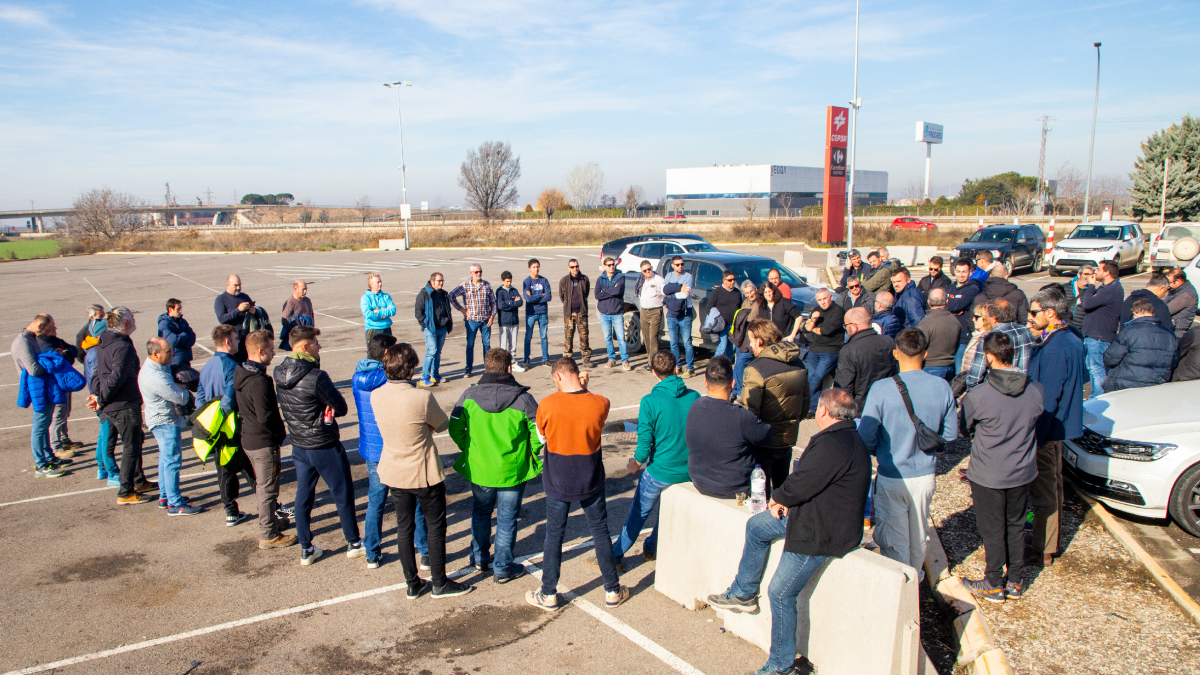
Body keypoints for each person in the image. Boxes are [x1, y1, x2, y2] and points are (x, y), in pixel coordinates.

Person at [706, 388, 871, 675]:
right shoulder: (848, 438)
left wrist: (779, 498)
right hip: (811, 515)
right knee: (757, 526)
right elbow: (809, 482)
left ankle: (780, 666)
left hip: (821, 532)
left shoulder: (833, 445)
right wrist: (785, 500)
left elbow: (804, 481)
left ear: (823, 411)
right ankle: (743, 592)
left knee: (780, 592)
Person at [527, 357, 629, 612]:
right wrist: (584, 388)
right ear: (577, 374)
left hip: (558, 477)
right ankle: (612, 590)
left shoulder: (547, 404)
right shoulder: (600, 402)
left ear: (558, 376)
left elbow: (542, 437)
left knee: (554, 535)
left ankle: (548, 593)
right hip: (590, 476)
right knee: (600, 531)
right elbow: (590, 410)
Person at [373, 343, 472, 599]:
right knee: (436, 527)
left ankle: (412, 582)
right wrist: (425, 428)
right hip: (423, 471)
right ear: (410, 369)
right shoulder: (421, 397)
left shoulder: (377, 394)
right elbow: (442, 423)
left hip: (394, 470)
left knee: (404, 528)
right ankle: (439, 582)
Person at [858, 329, 956, 580]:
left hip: (892, 474)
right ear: (925, 354)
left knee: (894, 540)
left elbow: (865, 436)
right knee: (919, 535)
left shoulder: (881, 388)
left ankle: (902, 588)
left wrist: (880, 449)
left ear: (895, 353)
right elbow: (950, 434)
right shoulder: (942, 387)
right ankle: (916, 580)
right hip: (925, 475)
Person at [961, 333, 1045, 603]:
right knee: (1016, 525)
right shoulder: (1035, 390)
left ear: (989, 357)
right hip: (1021, 471)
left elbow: (964, 427)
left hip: (989, 473)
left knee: (993, 528)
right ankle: (1016, 580)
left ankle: (994, 582)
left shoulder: (979, 395)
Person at [449, 348, 543, 582]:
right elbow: (540, 433)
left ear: (486, 367)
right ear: (509, 368)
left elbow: (455, 427)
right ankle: (502, 568)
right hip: (512, 469)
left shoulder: (468, 396)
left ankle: (479, 558)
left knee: (481, 512)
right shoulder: (524, 399)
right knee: (507, 519)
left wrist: (468, 448)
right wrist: (531, 451)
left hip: (480, 468)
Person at [274, 326, 363, 565]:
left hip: (299, 445)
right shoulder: (316, 376)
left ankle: (306, 548)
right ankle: (354, 542)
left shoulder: (278, 372)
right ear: (305, 347)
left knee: (303, 496)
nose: (319, 347)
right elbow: (341, 408)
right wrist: (326, 408)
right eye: (315, 343)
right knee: (342, 493)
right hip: (323, 444)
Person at [601, 351, 697, 570]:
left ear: (654, 373)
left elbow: (645, 443)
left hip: (660, 471)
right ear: (676, 368)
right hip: (687, 471)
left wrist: (634, 464)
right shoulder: (694, 397)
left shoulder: (650, 401)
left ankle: (616, 554)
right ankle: (652, 547)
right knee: (666, 512)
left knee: (638, 514)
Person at [353, 332, 424, 567]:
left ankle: (372, 553)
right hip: (393, 446)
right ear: (386, 354)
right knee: (412, 500)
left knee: (376, 502)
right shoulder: (387, 380)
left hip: (371, 448)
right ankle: (424, 549)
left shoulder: (357, 377)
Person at [1026, 287, 1085, 568]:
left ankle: (1043, 548)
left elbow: (1047, 399)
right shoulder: (1071, 337)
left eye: (1034, 312)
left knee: (1045, 491)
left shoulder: (1055, 349)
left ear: (1050, 313)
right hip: (1060, 427)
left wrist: (1036, 437)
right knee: (1054, 485)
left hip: (1048, 430)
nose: (1030, 317)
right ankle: (1047, 540)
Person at [235, 329, 297, 549]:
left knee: (264, 487)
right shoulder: (259, 382)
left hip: (249, 438)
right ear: (260, 351)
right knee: (267, 489)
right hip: (263, 442)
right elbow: (266, 417)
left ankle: (271, 522)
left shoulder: (241, 372)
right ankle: (269, 534)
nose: (273, 353)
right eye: (271, 350)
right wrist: (280, 433)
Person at [88, 307, 156, 504]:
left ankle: (139, 480)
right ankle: (125, 491)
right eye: (132, 318)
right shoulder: (122, 346)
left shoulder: (105, 341)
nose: (134, 320)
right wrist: (101, 398)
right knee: (131, 447)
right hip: (123, 404)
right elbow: (116, 376)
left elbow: (99, 371)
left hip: (114, 402)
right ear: (126, 322)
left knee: (135, 440)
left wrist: (97, 394)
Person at [685, 355, 773, 499]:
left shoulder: (695, 406)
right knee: (765, 454)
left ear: (705, 382)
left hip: (699, 481)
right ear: (732, 384)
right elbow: (767, 435)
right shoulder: (741, 416)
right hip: (733, 487)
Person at [196, 324, 257, 527]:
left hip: (215, 430)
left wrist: (209, 423)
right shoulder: (231, 366)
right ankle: (270, 506)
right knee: (250, 467)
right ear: (228, 342)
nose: (239, 342)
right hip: (231, 426)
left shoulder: (207, 367)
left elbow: (200, 399)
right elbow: (229, 400)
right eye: (236, 339)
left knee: (224, 469)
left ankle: (231, 511)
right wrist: (221, 418)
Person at [739, 319, 808, 489]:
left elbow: (749, 411)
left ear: (759, 341)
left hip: (764, 441)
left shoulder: (756, 369)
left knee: (761, 490)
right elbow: (805, 402)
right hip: (788, 438)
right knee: (782, 487)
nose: (750, 345)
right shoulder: (798, 363)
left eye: (751, 340)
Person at [138, 337, 201, 516]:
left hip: (162, 419)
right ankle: (175, 504)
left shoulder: (157, 366)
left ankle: (165, 496)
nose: (172, 354)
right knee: (173, 461)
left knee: (165, 460)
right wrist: (184, 387)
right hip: (164, 422)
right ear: (155, 354)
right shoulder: (155, 377)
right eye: (168, 352)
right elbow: (180, 397)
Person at [14, 314, 74, 477]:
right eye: (48, 330)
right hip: (37, 389)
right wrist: (52, 361)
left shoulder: (31, 338)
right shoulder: (23, 342)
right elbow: (34, 369)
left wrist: (51, 354)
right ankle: (41, 464)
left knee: (45, 423)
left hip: (44, 387)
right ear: (40, 325)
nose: (49, 334)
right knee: (39, 426)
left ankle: (49, 457)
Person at [78, 305, 118, 482]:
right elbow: (97, 378)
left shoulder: (92, 350)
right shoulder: (96, 353)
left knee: (104, 432)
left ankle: (101, 466)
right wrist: (100, 398)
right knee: (108, 433)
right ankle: (110, 471)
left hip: (100, 397)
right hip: (102, 398)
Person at [1102, 299, 1177, 392]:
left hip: (1126, 382)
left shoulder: (1130, 331)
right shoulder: (1170, 335)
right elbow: (1173, 361)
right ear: (1152, 313)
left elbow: (1111, 359)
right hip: (1156, 382)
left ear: (1136, 312)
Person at [834, 307, 898, 410]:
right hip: (888, 404)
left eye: (846, 326)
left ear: (854, 326)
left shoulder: (849, 350)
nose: (846, 329)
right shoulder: (889, 341)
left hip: (862, 408)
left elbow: (843, 387)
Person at [37, 319, 82, 461]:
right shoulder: (45, 344)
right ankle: (56, 447)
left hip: (64, 381)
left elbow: (74, 350)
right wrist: (64, 354)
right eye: (53, 328)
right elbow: (61, 361)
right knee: (58, 414)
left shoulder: (56, 341)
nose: (55, 330)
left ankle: (64, 439)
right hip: (56, 384)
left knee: (65, 411)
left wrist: (65, 352)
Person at [1080, 260, 1124, 396]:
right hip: (1094, 335)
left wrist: (1091, 286)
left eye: (1098, 269)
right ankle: (1095, 396)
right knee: (1092, 368)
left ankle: (1098, 398)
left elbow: (1087, 303)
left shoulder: (1111, 290)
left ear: (1107, 273)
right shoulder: (1106, 288)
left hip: (1099, 337)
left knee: (1097, 370)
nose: (1095, 272)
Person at [798, 288, 844, 412]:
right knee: (812, 377)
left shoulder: (838, 311)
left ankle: (802, 399)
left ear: (831, 297)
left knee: (817, 377)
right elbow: (805, 329)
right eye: (819, 300)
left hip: (830, 350)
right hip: (814, 349)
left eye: (824, 299)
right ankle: (811, 408)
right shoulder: (816, 311)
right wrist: (813, 320)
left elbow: (826, 331)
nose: (822, 302)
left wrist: (813, 327)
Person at [449, 264, 497, 378]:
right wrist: (462, 310)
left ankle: (488, 368)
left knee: (487, 345)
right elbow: (451, 296)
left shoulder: (487, 285)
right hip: (472, 320)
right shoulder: (465, 285)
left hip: (485, 320)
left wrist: (492, 316)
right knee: (470, 344)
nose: (478, 273)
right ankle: (469, 368)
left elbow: (493, 302)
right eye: (476, 272)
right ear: (471, 273)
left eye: (480, 271)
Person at [215, 274, 266, 362]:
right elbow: (222, 319)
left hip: (248, 340)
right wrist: (238, 309)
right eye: (235, 285)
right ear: (228, 284)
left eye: (240, 285)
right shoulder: (221, 299)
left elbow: (255, 316)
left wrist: (254, 312)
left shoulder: (244, 297)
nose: (238, 288)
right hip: (234, 341)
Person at [414, 272, 453, 387]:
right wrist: (425, 325)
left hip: (442, 327)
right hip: (431, 329)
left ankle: (435, 375)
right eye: (439, 281)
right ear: (432, 281)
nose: (441, 283)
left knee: (438, 352)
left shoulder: (444, 294)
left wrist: (447, 322)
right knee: (431, 352)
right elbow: (418, 312)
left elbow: (447, 309)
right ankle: (424, 377)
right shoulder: (424, 294)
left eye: (442, 281)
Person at [946, 259, 985, 372]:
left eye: (964, 272)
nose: (961, 275)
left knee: (959, 372)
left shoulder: (973, 289)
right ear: (954, 271)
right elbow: (939, 305)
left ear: (970, 272)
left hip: (962, 337)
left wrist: (949, 306)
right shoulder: (948, 288)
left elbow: (956, 306)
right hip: (947, 336)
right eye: (959, 271)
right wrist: (951, 309)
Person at [731, 280, 767, 397]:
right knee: (738, 364)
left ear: (755, 289)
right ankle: (736, 390)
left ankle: (740, 392)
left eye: (751, 291)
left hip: (754, 337)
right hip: (744, 337)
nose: (750, 294)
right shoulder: (745, 302)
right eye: (747, 293)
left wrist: (745, 315)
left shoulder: (760, 301)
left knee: (742, 363)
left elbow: (751, 317)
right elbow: (743, 317)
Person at [595, 257, 630, 370]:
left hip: (616, 313)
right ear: (604, 266)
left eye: (613, 264)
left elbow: (618, 291)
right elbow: (597, 295)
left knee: (621, 338)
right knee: (607, 338)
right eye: (609, 265)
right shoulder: (600, 279)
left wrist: (604, 290)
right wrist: (611, 290)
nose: (611, 267)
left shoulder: (620, 277)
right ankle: (611, 359)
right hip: (604, 314)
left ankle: (625, 360)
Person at [918, 288, 961, 380]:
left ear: (929, 302)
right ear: (947, 301)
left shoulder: (926, 322)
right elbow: (957, 345)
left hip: (929, 367)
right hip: (950, 367)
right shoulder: (955, 321)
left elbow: (919, 347)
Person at [663, 256, 695, 376]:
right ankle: (677, 366)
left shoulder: (688, 276)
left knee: (687, 342)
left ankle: (690, 368)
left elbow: (685, 294)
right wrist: (678, 288)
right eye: (677, 264)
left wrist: (670, 294)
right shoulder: (669, 276)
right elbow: (664, 291)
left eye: (682, 264)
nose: (680, 266)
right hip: (671, 314)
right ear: (672, 265)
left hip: (685, 314)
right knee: (673, 343)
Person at [559, 259, 593, 367]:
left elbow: (586, 293)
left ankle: (586, 359)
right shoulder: (564, 280)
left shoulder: (584, 279)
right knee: (568, 338)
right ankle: (567, 360)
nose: (575, 269)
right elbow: (562, 296)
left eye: (576, 266)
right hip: (569, 314)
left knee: (584, 337)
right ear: (569, 268)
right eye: (572, 267)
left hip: (581, 313)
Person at [704, 269, 742, 361]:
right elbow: (709, 308)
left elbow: (740, 307)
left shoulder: (737, 292)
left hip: (734, 326)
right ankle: (715, 365)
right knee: (722, 347)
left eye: (734, 279)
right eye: (730, 280)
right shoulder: (717, 292)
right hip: (722, 326)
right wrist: (717, 319)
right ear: (724, 280)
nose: (733, 282)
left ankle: (727, 366)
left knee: (731, 349)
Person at [522, 258, 553, 370]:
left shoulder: (544, 280)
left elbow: (548, 296)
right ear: (529, 268)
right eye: (534, 267)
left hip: (543, 312)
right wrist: (541, 295)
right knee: (528, 337)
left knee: (543, 336)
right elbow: (528, 299)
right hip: (531, 313)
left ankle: (545, 359)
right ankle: (526, 360)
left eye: (537, 267)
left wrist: (535, 296)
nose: (536, 269)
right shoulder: (527, 282)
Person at [635, 260, 667, 363]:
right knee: (646, 336)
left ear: (652, 268)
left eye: (649, 269)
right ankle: (650, 359)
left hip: (655, 311)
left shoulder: (658, 280)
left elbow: (666, 293)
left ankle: (653, 362)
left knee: (653, 337)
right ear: (642, 271)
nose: (648, 271)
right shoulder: (641, 280)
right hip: (644, 311)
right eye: (645, 270)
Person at [157, 298, 196, 376]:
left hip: (185, 359)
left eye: (181, 308)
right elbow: (173, 341)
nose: (181, 311)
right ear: (170, 309)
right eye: (178, 309)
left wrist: (184, 344)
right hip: (175, 362)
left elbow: (192, 336)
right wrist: (185, 335)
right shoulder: (164, 324)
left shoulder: (182, 321)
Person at [495, 271, 524, 369]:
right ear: (502, 281)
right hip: (504, 322)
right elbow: (500, 305)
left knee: (513, 344)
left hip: (514, 321)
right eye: (507, 281)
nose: (509, 283)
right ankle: (503, 364)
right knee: (503, 346)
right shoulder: (499, 291)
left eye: (510, 281)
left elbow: (520, 302)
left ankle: (513, 361)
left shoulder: (514, 290)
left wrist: (508, 303)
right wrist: (512, 302)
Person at [361, 272, 397, 347]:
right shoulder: (365, 298)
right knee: (374, 352)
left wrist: (378, 312)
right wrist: (383, 315)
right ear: (371, 284)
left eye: (380, 281)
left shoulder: (386, 296)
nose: (380, 284)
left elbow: (393, 310)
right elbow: (368, 314)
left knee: (389, 352)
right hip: (373, 330)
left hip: (386, 329)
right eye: (377, 282)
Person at [280, 280, 314, 351]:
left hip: (308, 335)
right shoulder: (290, 302)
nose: (305, 291)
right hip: (298, 338)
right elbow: (284, 320)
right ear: (295, 289)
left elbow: (311, 315)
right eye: (303, 289)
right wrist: (298, 321)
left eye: (306, 289)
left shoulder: (307, 300)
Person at [1166, 268, 1198, 338]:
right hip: (1171, 330)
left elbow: (1165, 310)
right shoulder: (1175, 290)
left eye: (1169, 282)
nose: (1167, 285)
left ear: (1179, 281)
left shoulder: (1186, 296)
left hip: (1177, 334)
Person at [1065, 264, 1096, 331]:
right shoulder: (1066, 288)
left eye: (1091, 275)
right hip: (1064, 326)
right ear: (1079, 275)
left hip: (1080, 328)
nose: (1088, 277)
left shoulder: (1092, 292)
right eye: (1086, 274)